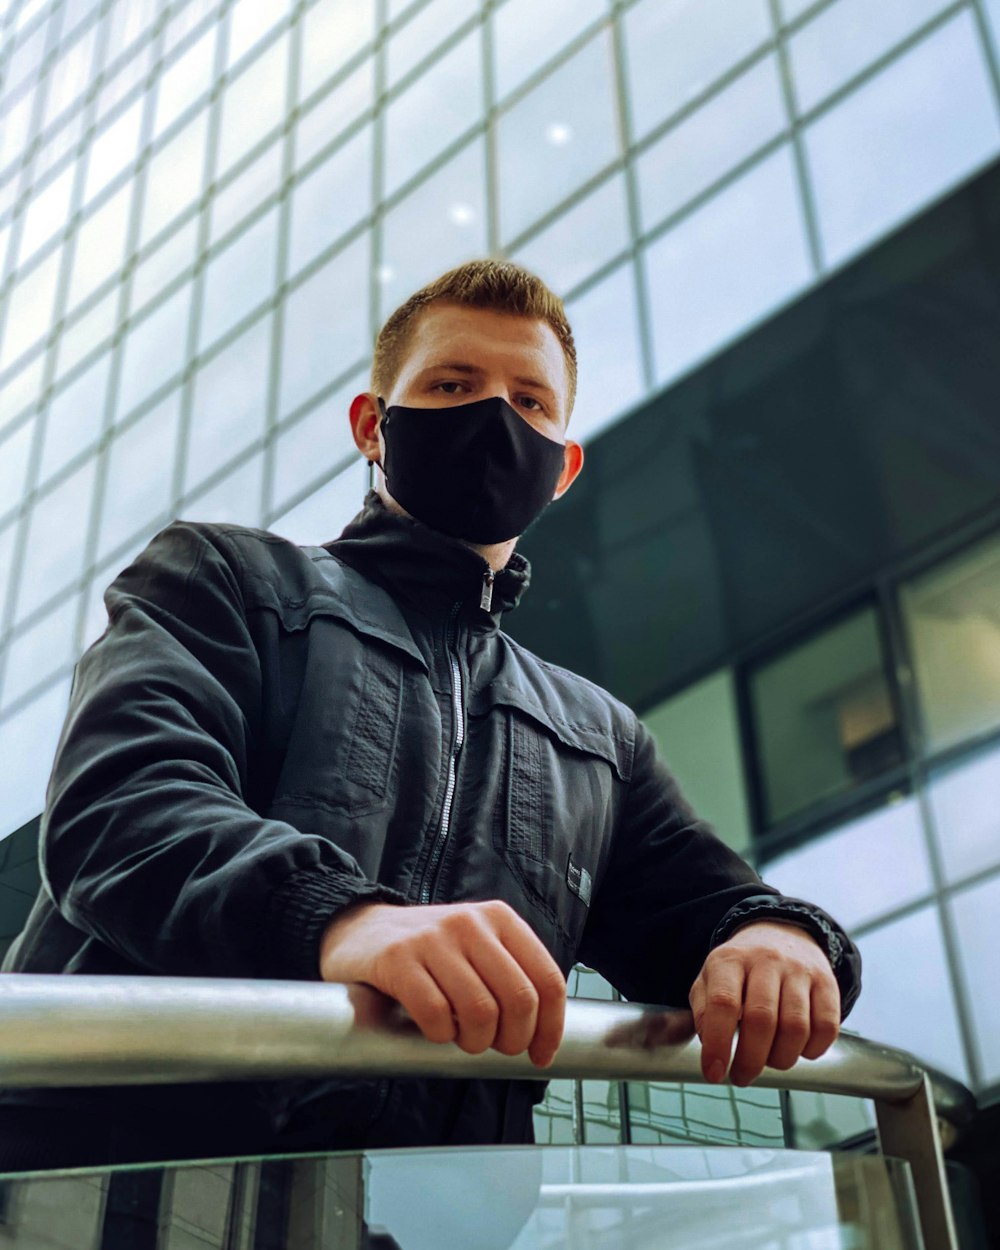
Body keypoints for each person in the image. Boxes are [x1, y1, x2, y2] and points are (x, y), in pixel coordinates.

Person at [0, 260, 860, 1170]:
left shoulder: (599, 740)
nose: (495, 418)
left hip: (423, 1216)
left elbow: (710, 907)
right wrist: (341, 919)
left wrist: (784, 937)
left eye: (531, 402)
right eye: (453, 385)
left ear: (563, 467)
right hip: (110, 1190)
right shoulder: (225, 580)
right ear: (374, 426)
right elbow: (121, 812)